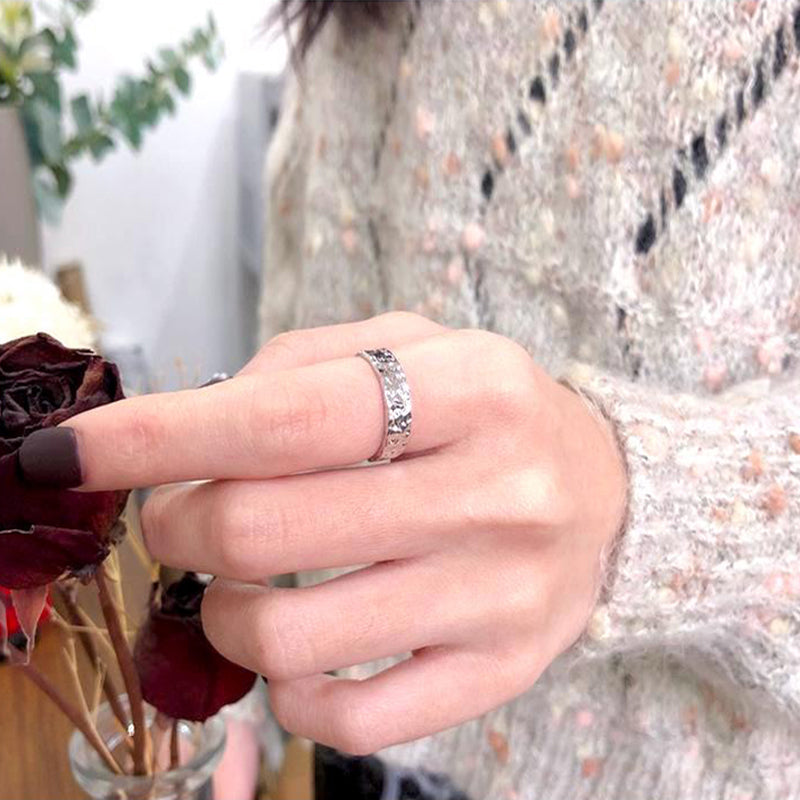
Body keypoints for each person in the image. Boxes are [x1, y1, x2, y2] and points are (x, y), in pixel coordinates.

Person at [18, 1, 800, 796]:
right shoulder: (348, 32)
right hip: (349, 752)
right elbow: (292, 390)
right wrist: (221, 716)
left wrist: (636, 496)